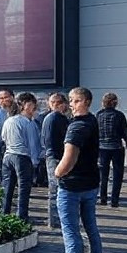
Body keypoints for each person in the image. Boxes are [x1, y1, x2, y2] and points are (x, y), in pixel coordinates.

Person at [54, 87, 103, 253]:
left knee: (71, 231)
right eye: (71, 101)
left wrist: (57, 173)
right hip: (90, 184)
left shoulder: (77, 127)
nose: (71, 104)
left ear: (86, 101)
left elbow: (69, 158)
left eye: (76, 101)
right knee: (91, 229)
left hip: (72, 186)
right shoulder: (92, 121)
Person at [1, 91, 41, 222]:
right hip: (23, 157)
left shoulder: (9, 120)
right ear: (24, 105)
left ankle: (4, 214)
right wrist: (35, 161)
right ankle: (22, 216)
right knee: (24, 188)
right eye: (32, 104)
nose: (34, 107)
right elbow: (33, 144)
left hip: (8, 156)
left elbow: (3, 138)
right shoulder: (29, 123)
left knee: (7, 187)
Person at [96, 92, 127, 208]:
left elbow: (95, 132)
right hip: (116, 147)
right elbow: (124, 131)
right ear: (115, 103)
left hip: (102, 147)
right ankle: (115, 200)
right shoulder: (119, 115)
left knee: (103, 174)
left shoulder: (99, 115)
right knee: (117, 174)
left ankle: (103, 198)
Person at [40, 92, 69, 229]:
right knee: (55, 188)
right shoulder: (53, 118)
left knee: (58, 188)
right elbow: (49, 141)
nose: (55, 105)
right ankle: (54, 220)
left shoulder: (60, 118)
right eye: (53, 102)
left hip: (56, 155)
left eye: (58, 102)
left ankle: (57, 219)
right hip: (55, 156)